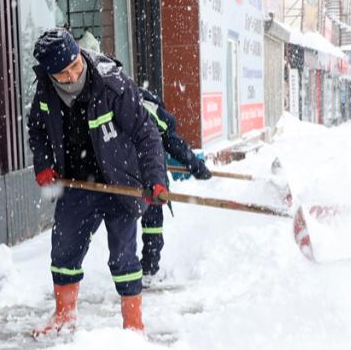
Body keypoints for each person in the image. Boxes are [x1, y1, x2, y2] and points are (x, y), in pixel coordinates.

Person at [26, 28, 167, 334]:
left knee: (123, 257)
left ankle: (133, 324)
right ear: (50, 73)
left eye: (76, 64)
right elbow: (36, 129)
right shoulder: (46, 92)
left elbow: (147, 133)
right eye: (63, 72)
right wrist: (44, 163)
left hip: (121, 184)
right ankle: (64, 314)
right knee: (64, 251)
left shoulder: (111, 85)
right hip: (78, 185)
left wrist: (155, 178)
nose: (74, 74)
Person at [137, 88, 212, 285]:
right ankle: (149, 270)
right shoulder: (150, 108)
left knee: (123, 222)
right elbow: (172, 141)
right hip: (149, 173)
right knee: (152, 220)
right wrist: (196, 167)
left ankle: (127, 268)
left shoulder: (119, 101)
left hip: (123, 171)